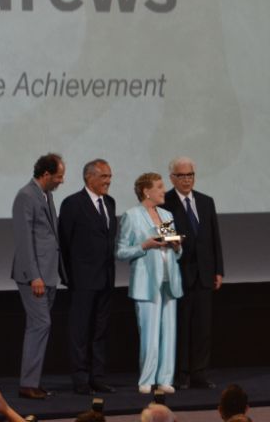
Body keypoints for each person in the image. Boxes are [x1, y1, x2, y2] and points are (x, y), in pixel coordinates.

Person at [116, 172, 183, 394]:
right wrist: (144, 246)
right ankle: (147, 379)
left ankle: (166, 379)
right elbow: (121, 251)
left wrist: (176, 246)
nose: (164, 191)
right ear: (146, 191)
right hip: (147, 283)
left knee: (169, 332)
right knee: (150, 333)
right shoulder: (131, 216)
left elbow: (177, 252)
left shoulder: (165, 215)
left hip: (169, 280)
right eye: (159, 187)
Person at [162, 157, 223, 389]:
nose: (187, 180)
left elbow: (214, 238)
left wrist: (218, 269)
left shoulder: (206, 202)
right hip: (180, 275)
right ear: (172, 178)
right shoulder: (164, 203)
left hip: (205, 274)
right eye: (182, 175)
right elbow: (165, 240)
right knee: (182, 326)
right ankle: (182, 374)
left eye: (190, 175)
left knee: (203, 327)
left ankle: (199, 373)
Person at [10, 153, 66, 399]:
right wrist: (35, 276)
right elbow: (24, 240)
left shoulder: (47, 195)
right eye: (59, 176)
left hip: (48, 273)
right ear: (46, 174)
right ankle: (28, 384)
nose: (61, 181)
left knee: (40, 325)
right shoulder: (25, 196)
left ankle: (32, 382)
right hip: (34, 275)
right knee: (41, 324)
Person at [58, 158, 116, 395]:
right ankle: (81, 379)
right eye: (104, 176)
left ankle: (97, 377)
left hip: (105, 278)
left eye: (110, 176)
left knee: (99, 330)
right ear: (89, 177)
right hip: (82, 280)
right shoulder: (72, 203)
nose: (108, 181)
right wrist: (70, 276)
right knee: (80, 331)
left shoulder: (110, 203)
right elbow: (64, 242)